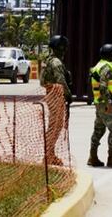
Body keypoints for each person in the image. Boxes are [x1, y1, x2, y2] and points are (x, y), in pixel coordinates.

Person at [88, 43, 112, 168]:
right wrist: (109, 103)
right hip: (106, 103)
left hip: (100, 103)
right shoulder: (107, 67)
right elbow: (103, 86)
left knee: (99, 129)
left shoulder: (98, 66)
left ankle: (93, 157)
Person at [40, 34, 72, 166]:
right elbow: (61, 81)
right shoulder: (56, 62)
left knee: (54, 126)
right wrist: (68, 95)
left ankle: (49, 154)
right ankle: (48, 155)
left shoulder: (48, 60)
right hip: (56, 95)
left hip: (51, 93)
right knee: (55, 126)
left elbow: (42, 81)